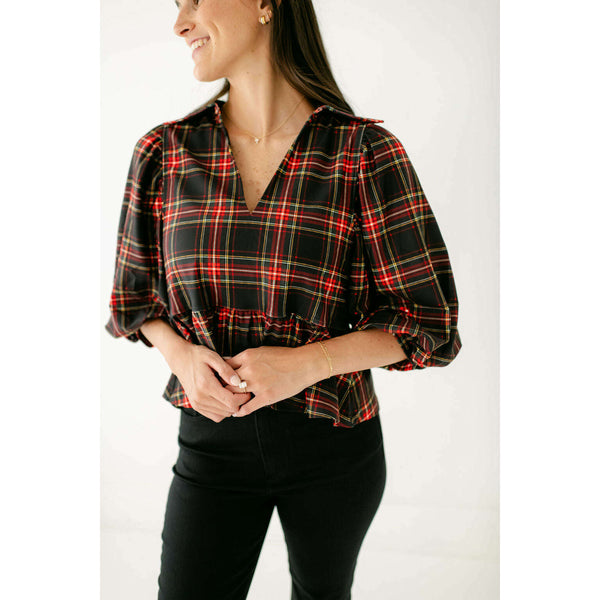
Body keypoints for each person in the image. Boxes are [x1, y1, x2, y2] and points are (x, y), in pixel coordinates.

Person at [104, 1, 462, 598]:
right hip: (211, 447)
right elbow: (133, 301)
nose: (180, 23)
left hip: (334, 449)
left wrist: (304, 365)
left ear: (265, 4)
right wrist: (182, 357)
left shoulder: (363, 152)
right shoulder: (164, 152)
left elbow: (429, 323)